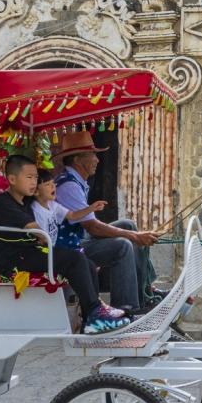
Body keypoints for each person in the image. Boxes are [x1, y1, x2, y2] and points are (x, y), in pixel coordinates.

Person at [0, 155, 129, 334]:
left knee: (87, 263)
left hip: (28, 252)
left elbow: (50, 209)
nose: (34, 182)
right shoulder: (4, 203)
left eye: (36, 178)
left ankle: (93, 312)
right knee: (73, 259)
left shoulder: (26, 200)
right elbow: (35, 229)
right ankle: (94, 314)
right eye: (29, 177)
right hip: (12, 260)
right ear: (12, 179)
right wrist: (46, 240)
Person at [54, 131, 159, 312]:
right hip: (69, 248)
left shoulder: (76, 181)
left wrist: (133, 233)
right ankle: (127, 308)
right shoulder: (69, 186)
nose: (97, 160)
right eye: (92, 155)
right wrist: (134, 236)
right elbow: (93, 227)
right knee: (122, 245)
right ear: (78, 160)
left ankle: (145, 292)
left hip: (80, 238)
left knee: (128, 224)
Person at [31, 169, 104, 247]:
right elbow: (40, 239)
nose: (53, 186)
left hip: (52, 249)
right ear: (36, 192)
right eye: (48, 184)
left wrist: (91, 208)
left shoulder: (52, 205)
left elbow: (72, 215)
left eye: (53, 182)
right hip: (44, 252)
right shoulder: (36, 210)